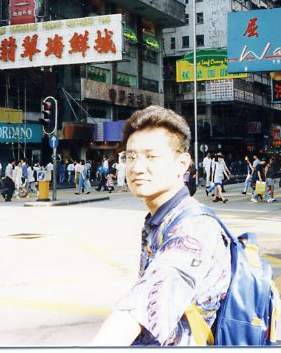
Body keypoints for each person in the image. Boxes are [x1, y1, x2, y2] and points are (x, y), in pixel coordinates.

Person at [91, 106, 231, 346]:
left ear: (182, 163)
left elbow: (140, 308)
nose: (137, 167)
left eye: (151, 157)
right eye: (130, 157)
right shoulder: (162, 219)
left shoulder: (193, 230)